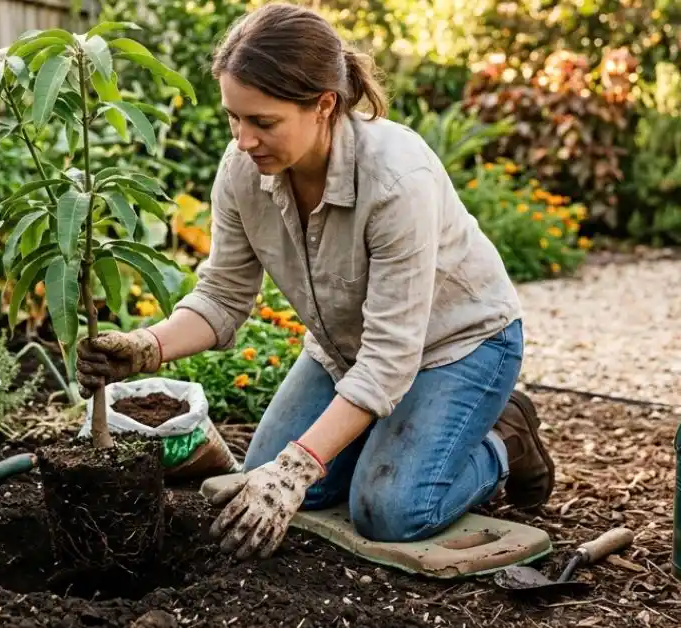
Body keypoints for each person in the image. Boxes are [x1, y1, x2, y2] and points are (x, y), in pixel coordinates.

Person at [74, 2, 555, 561]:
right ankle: (398, 436)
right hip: (348, 353)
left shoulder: (397, 179)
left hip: (459, 346)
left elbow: (390, 358)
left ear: (324, 105)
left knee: (389, 510)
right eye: (235, 117)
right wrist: (144, 348)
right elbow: (223, 296)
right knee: (260, 478)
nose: (243, 139)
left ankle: (506, 438)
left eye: (263, 122)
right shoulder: (243, 172)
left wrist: (300, 464)